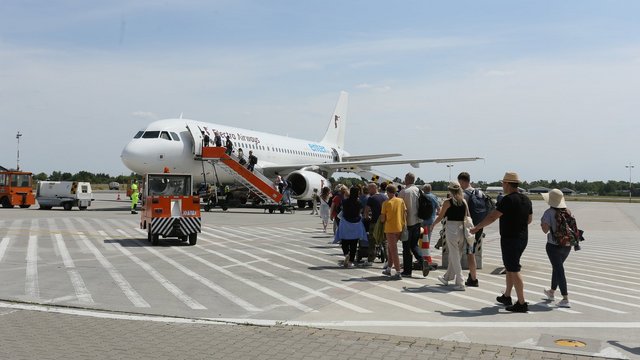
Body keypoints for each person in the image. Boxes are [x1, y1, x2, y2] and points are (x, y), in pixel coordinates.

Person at [471, 172, 532, 313]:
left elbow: (493, 216)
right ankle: (507, 295)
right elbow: (529, 220)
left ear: (508, 184)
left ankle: (522, 302)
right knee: (510, 267)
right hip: (523, 238)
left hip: (510, 238)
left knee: (514, 268)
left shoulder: (507, 200)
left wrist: (477, 227)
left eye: (503, 183)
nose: (502, 186)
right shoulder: (526, 200)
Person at [433, 182, 469, 291]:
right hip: (462, 229)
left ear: (450, 190)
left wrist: (433, 225)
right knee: (457, 255)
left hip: (451, 228)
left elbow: (440, 216)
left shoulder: (448, 202)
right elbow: (467, 216)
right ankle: (447, 277)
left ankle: (461, 282)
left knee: (454, 256)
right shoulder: (463, 201)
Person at [541, 189, 573, 308]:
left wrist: (543, 224)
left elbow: (545, 230)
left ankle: (565, 298)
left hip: (553, 246)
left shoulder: (548, 213)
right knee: (557, 267)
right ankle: (552, 292)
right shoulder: (568, 211)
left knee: (559, 270)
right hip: (567, 245)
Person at [458, 172, 483, 287]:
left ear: (462, 181)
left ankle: (473, 278)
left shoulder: (464, 194)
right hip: (479, 225)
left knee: (470, 253)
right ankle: (471, 276)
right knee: (471, 251)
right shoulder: (479, 192)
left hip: (469, 227)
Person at [333, 187, 368, 269]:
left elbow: (339, 209)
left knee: (344, 241)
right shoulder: (359, 202)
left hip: (345, 222)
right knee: (354, 243)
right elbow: (360, 212)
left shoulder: (344, 201)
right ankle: (351, 262)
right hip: (356, 223)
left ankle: (346, 253)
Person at [398, 172, 424, 277]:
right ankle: (422, 260)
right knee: (414, 245)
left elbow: (400, 209)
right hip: (418, 222)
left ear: (407, 179)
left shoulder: (403, 192)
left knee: (406, 248)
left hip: (407, 223)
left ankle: (407, 271)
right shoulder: (419, 190)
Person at [380, 184, 406, 280]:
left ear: (387, 192)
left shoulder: (386, 203)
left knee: (393, 250)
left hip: (390, 229)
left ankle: (398, 272)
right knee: (391, 249)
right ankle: (389, 268)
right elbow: (405, 213)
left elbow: (382, 219)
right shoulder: (401, 201)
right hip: (399, 227)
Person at [364, 182, 388, 263]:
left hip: (374, 221)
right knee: (385, 241)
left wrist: (367, 217)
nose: (368, 191)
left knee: (372, 240)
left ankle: (371, 259)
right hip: (384, 221)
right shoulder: (385, 197)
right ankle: (388, 259)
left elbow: (366, 210)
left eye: (369, 189)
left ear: (374, 188)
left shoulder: (371, 198)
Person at [421, 184, 440, 274]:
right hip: (431, 220)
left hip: (421, 219)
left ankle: (421, 253)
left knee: (420, 237)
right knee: (428, 237)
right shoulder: (434, 197)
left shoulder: (422, 196)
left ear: (424, 189)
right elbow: (438, 209)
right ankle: (426, 253)